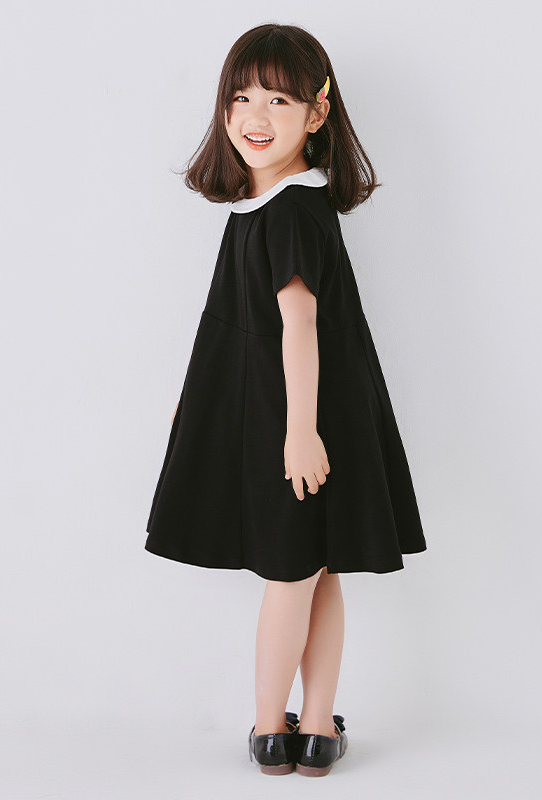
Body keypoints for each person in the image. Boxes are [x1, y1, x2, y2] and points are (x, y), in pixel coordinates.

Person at [144, 23, 427, 776]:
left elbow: (299, 324)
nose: (255, 116)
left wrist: (301, 432)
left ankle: (276, 728)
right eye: (241, 97)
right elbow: (235, 325)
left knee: (296, 574)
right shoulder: (263, 205)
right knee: (310, 570)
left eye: (278, 98)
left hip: (302, 420)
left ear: (317, 112)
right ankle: (314, 727)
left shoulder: (295, 208)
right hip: (287, 416)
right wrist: (196, 399)